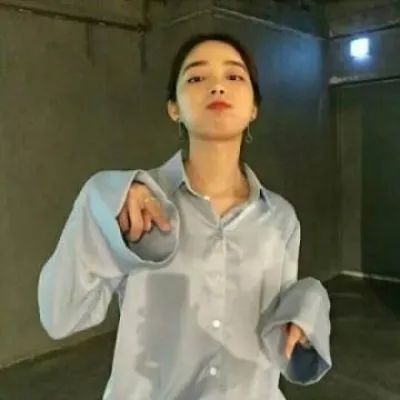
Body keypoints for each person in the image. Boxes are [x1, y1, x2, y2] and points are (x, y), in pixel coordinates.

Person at [38, 32, 332, 399]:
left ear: (254, 108)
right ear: (173, 108)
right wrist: (95, 199)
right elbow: (60, 316)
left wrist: (309, 307)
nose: (217, 87)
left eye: (234, 76)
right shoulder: (132, 204)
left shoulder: (281, 218)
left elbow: (281, 327)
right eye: (196, 77)